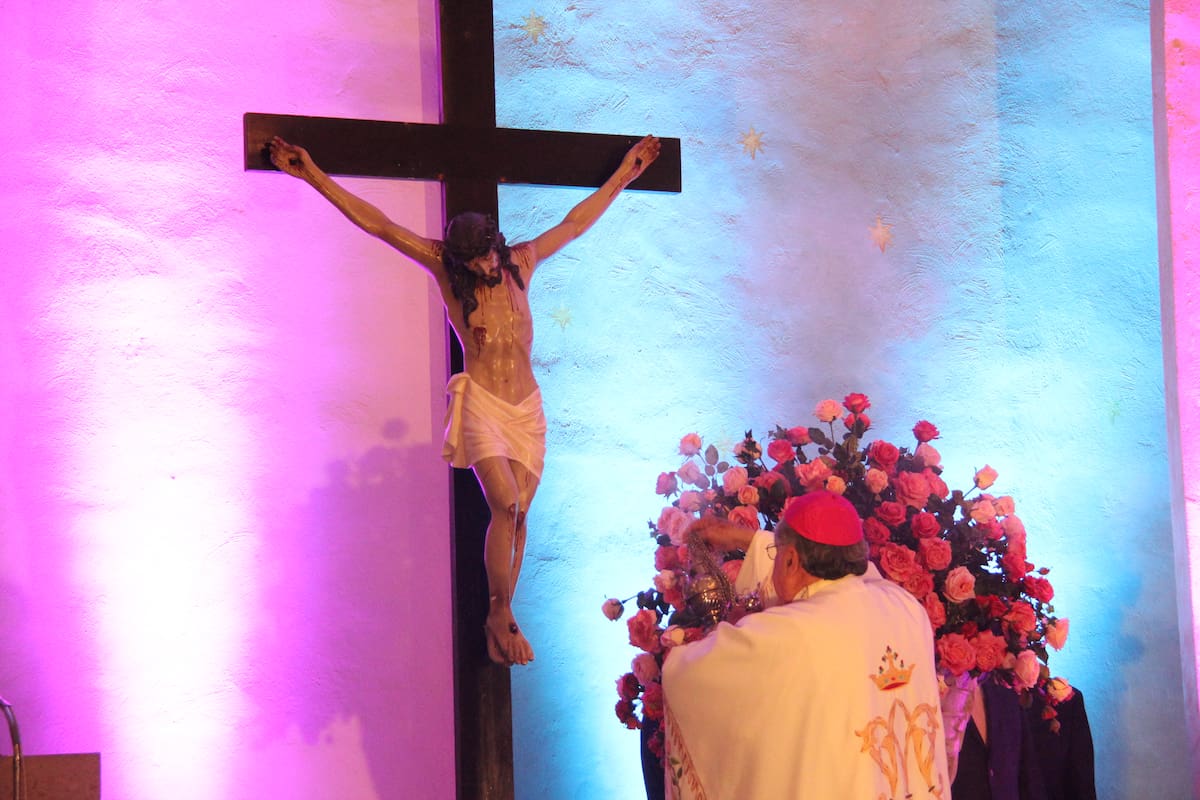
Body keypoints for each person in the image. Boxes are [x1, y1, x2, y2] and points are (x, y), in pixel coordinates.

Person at [268, 133, 661, 667]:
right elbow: (379, 224)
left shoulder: (521, 262)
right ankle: (501, 613)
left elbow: (573, 223)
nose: (479, 270)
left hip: (525, 407)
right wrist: (313, 174)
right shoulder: (445, 268)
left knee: (520, 515)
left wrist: (624, 174)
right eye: (469, 263)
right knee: (505, 504)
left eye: (482, 260)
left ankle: (502, 612)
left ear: (495, 246)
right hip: (482, 403)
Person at [661, 491, 950, 799]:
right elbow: (855, 577)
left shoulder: (789, 633)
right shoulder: (905, 609)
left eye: (779, 554)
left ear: (789, 559)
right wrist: (749, 540)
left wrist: (675, 656)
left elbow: (688, 677)